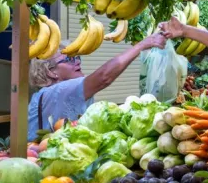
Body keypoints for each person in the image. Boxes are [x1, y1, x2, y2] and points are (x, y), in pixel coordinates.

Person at [28, 32, 167, 140]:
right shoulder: (57, 92)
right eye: (69, 59)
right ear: (50, 71)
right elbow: (104, 77)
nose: (77, 62)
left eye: (77, 57)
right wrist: (143, 44)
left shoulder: (50, 94)